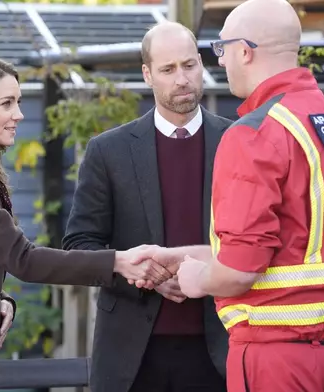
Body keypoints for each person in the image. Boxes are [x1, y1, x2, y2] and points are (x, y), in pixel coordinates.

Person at [135, 1, 324, 391]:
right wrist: (185, 255)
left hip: (279, 355)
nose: (221, 63)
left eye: (222, 50)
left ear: (244, 51)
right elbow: (294, 248)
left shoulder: (254, 132)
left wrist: (197, 278)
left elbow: (239, 270)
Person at [0, 55, 174, 392]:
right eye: (7, 103)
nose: (19, 115)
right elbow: (23, 259)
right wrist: (117, 261)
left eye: (19, 102)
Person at [63, 21, 232, 392]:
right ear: (147, 74)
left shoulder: (237, 142)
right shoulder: (109, 151)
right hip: (132, 353)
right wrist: (147, 277)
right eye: (168, 70)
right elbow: (80, 246)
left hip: (220, 348)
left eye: (189, 65)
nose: (182, 79)